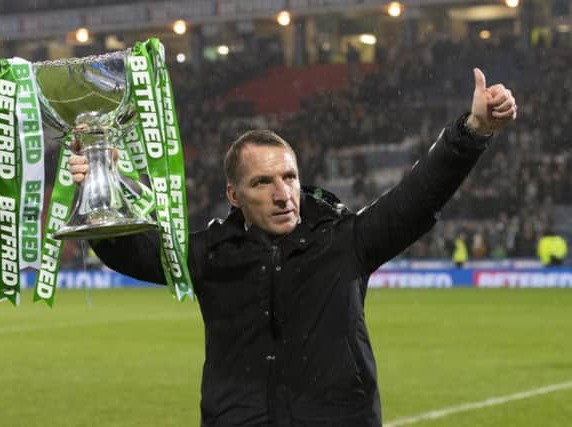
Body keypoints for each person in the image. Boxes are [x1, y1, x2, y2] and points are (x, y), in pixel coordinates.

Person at [69, 68, 517, 427]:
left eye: (289, 177)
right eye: (262, 183)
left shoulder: (346, 242)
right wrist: (98, 185)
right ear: (233, 195)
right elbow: (133, 252)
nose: (283, 194)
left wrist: (472, 129)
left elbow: (418, 197)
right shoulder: (212, 254)